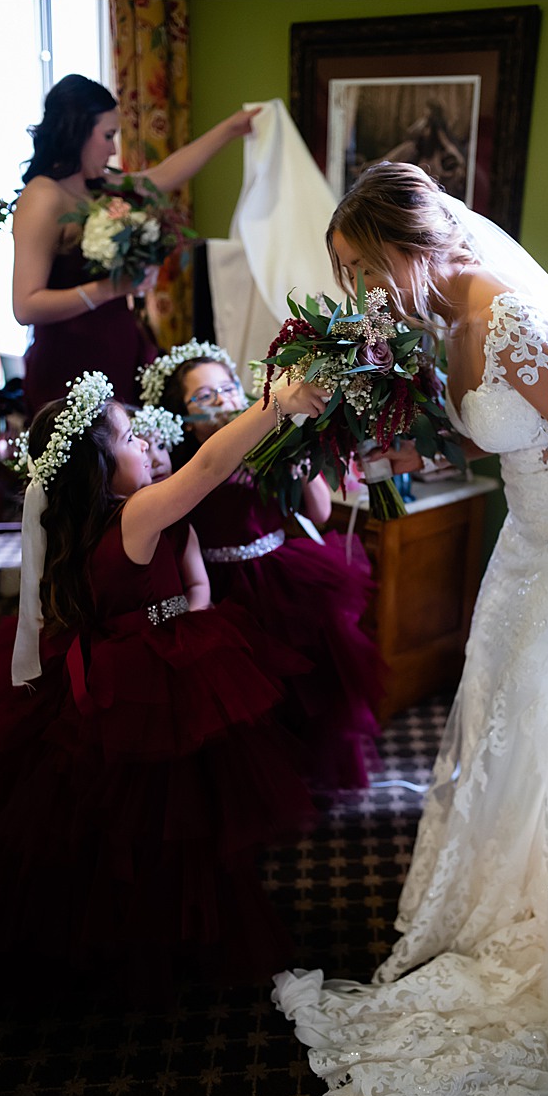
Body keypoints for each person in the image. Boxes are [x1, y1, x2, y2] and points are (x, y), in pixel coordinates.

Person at [271, 162, 548, 1096]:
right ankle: (496, 900)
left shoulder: (513, 314)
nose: (360, 291)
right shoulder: (443, 314)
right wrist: (393, 451)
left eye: (362, 267)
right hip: (523, 552)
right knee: (498, 735)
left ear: (404, 246)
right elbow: (497, 432)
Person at [0, 368, 329, 997]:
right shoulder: (135, 516)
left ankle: (117, 927)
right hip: (148, 676)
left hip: (106, 667)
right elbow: (209, 466)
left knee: (114, 822)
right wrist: (273, 406)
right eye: (132, 440)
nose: (147, 445)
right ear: (98, 465)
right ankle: (171, 935)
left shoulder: (79, 524)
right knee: (172, 815)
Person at [142, 338, 384, 791]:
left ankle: (305, 773)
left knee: (308, 676)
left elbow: (320, 514)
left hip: (280, 572)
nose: (224, 402)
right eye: (205, 397)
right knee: (243, 691)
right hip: (216, 583)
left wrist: (298, 455)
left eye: (228, 389)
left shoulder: (272, 443)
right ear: (181, 413)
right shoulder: (181, 468)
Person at [11, 73, 258, 412]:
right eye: (108, 135)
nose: (113, 148)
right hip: (68, 362)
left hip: (119, 347)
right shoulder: (42, 197)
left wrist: (232, 128)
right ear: (77, 131)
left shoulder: (101, 183)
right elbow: (25, 306)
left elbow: (165, 176)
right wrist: (112, 288)